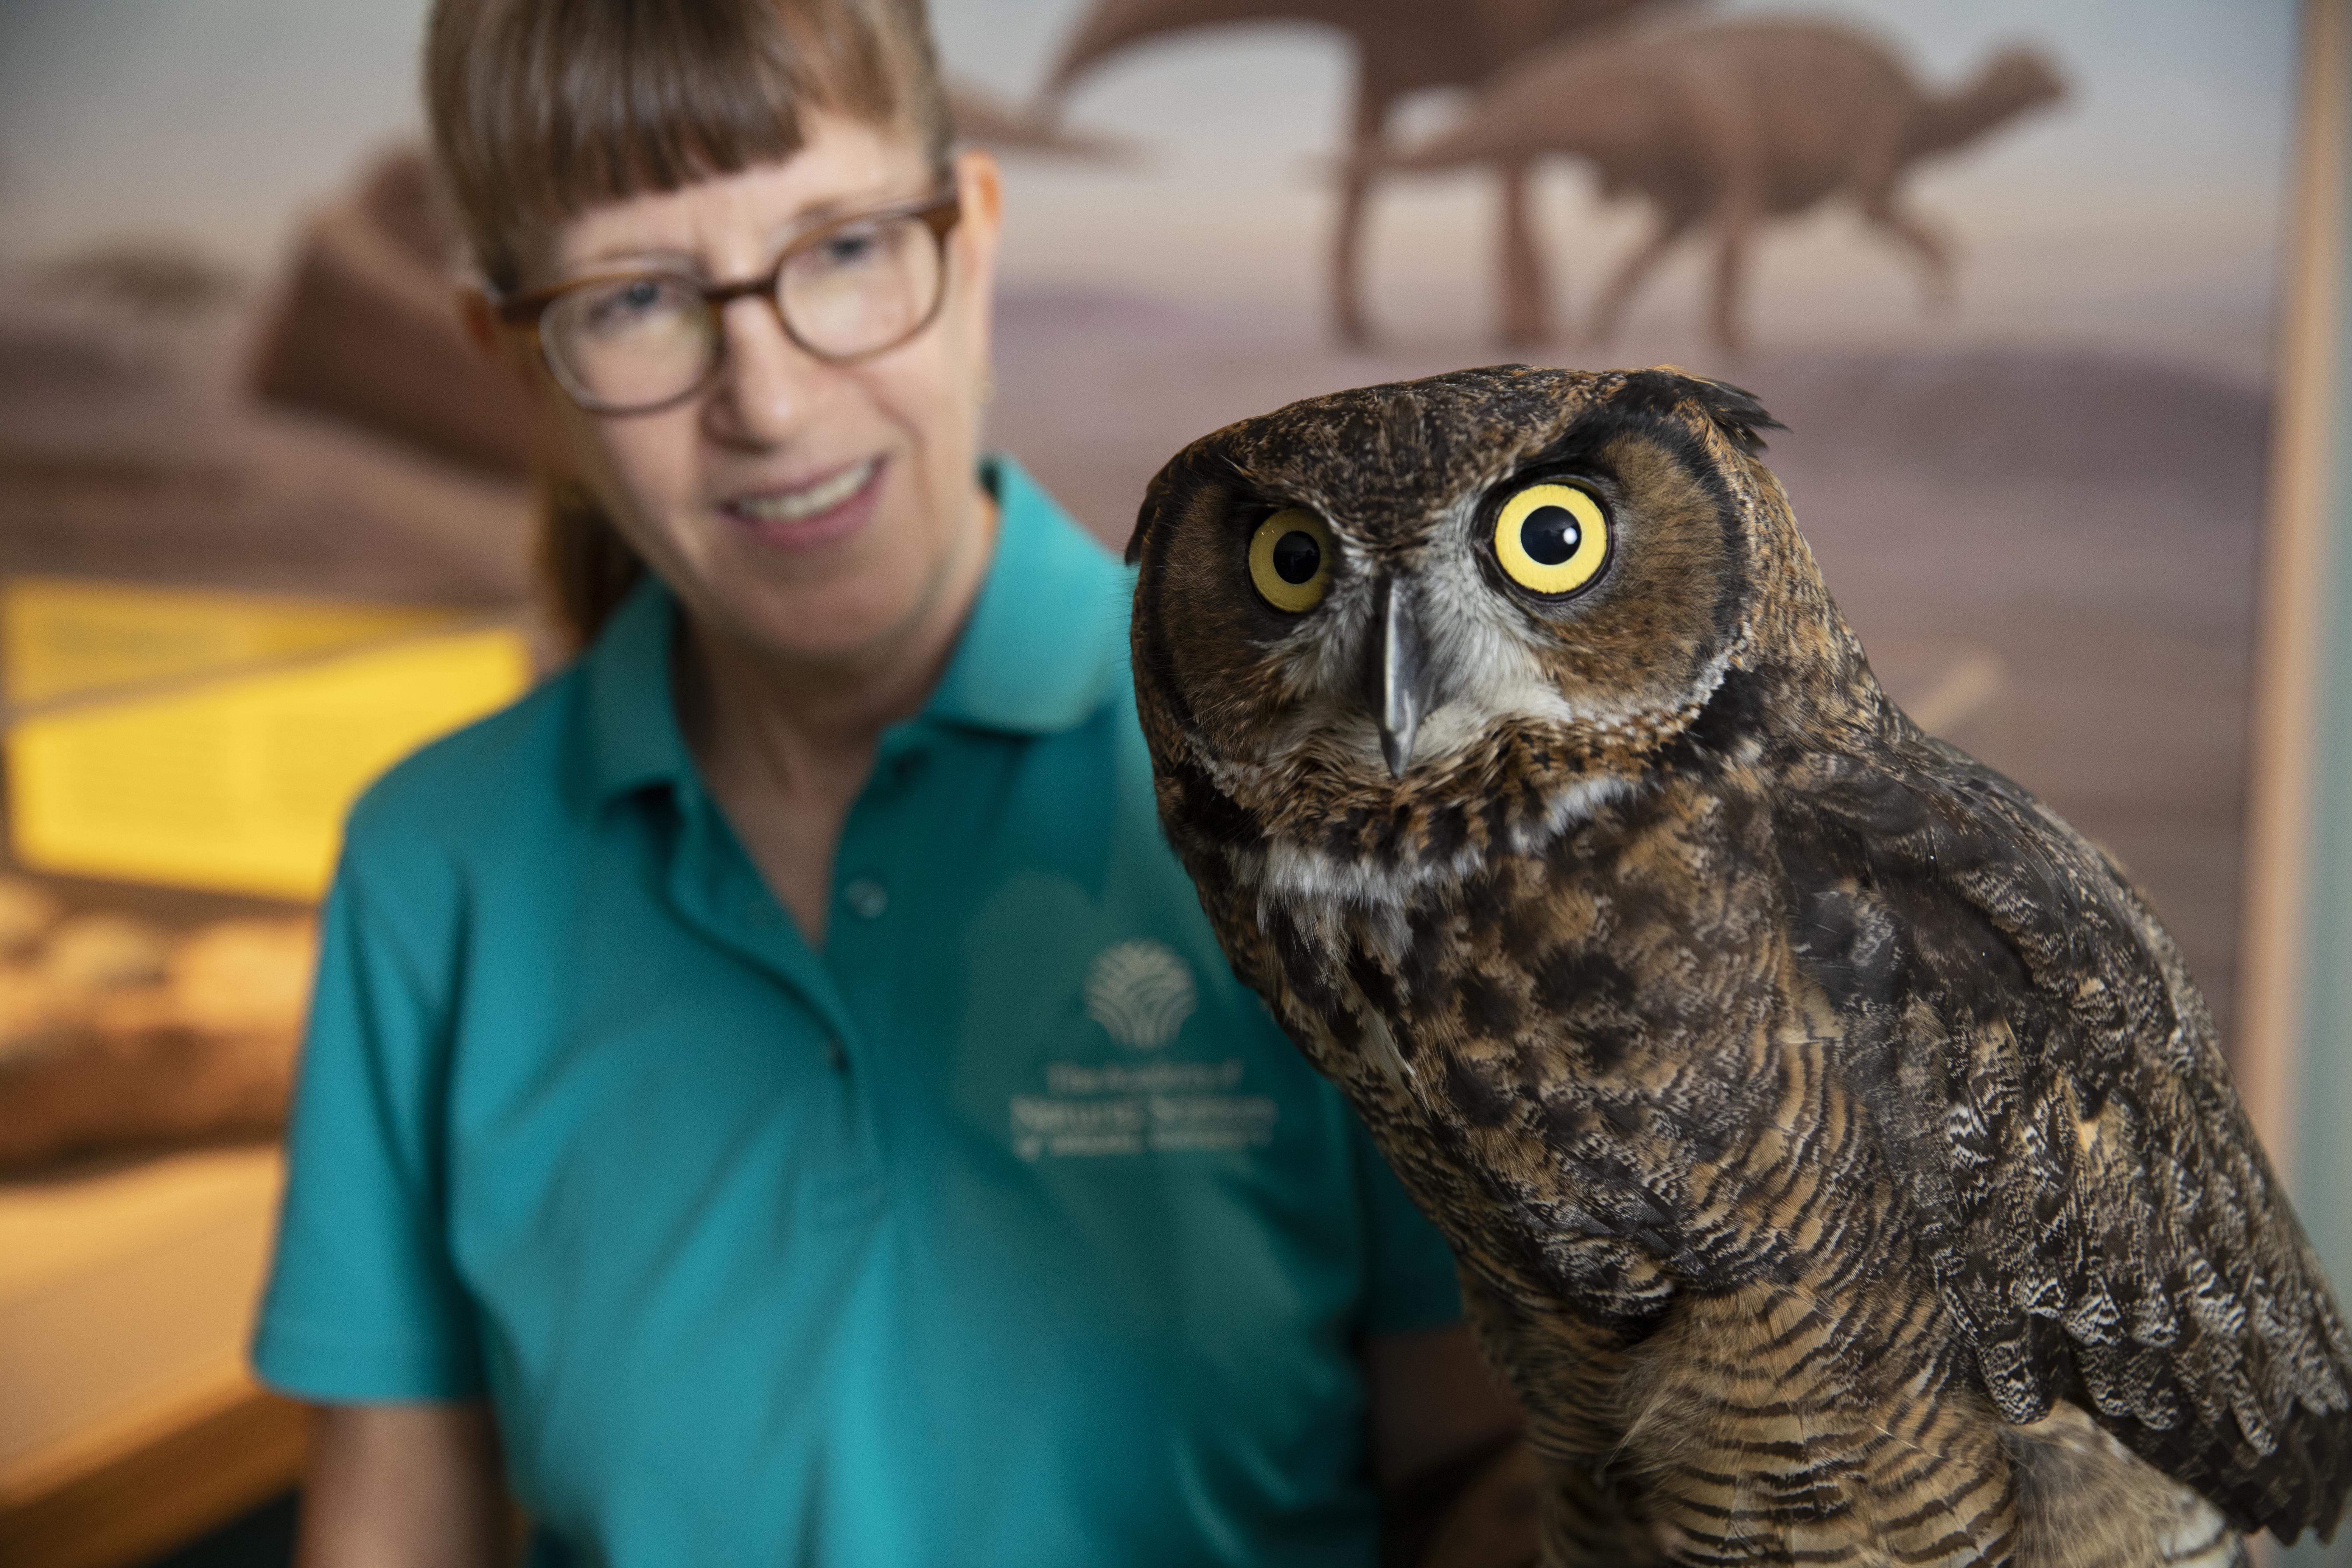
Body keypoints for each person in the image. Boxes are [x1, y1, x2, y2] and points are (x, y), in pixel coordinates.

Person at [251, 0, 1530, 1563]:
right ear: (523, 371)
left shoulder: (1346, 807)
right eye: (636, 299)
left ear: (971, 249)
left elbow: (1483, 1463)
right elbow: (395, 1523)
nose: (771, 405)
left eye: (844, 249)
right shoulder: (429, 869)